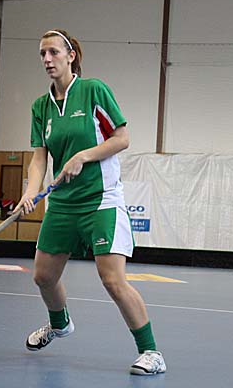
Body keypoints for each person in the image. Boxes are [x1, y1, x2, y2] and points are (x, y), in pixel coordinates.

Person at [14, 29, 165, 376]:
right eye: (42, 54)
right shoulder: (40, 106)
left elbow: (121, 139)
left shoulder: (94, 90)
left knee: (112, 280)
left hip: (101, 200)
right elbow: (39, 157)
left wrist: (83, 155)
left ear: (71, 56)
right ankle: (60, 324)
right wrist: (29, 192)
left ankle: (151, 352)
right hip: (62, 203)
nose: (47, 59)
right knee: (43, 277)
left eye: (53, 52)